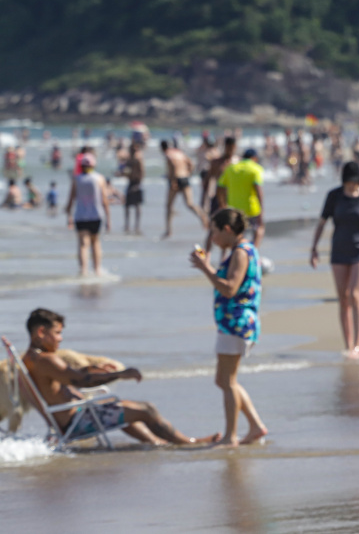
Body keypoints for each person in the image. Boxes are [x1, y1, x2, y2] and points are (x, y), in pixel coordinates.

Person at [18, 308, 220, 446]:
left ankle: (157, 443)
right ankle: (188, 443)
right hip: (77, 423)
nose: (61, 339)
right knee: (147, 409)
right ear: (41, 332)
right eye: (57, 333)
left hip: (71, 419)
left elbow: (74, 376)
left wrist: (94, 368)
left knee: (124, 406)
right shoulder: (46, 360)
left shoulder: (29, 360)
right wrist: (120, 374)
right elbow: (80, 381)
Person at [189, 209, 268, 447]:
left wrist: (206, 268)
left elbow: (230, 288)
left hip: (237, 322)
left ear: (227, 230)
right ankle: (255, 426)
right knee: (223, 380)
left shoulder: (241, 253)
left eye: (214, 231)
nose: (212, 237)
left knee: (228, 381)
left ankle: (230, 436)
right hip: (232, 322)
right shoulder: (240, 251)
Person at [310, 162, 359, 359]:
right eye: (349, 182)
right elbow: (322, 223)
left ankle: (358, 345)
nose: (352, 186)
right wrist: (314, 248)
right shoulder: (333, 196)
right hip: (339, 251)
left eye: (355, 182)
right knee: (343, 298)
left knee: (355, 294)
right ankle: (348, 344)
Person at [64, 153, 110, 276]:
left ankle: (83, 270)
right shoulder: (100, 178)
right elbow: (104, 200)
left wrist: (68, 215)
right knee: (95, 242)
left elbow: (71, 199)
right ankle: (97, 270)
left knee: (83, 244)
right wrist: (108, 219)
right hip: (96, 215)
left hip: (80, 216)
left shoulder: (77, 179)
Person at [217, 148, 265, 249]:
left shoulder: (231, 168)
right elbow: (258, 190)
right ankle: (252, 252)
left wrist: (222, 204)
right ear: (254, 158)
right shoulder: (256, 168)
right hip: (251, 208)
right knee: (259, 229)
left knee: (237, 234)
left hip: (234, 209)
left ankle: (237, 253)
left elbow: (220, 186)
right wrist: (261, 209)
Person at [161, 140, 208, 238]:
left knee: (169, 206)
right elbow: (191, 163)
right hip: (184, 178)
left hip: (175, 179)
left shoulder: (168, 154)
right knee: (190, 204)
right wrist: (188, 173)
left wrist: (173, 180)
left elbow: (173, 166)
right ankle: (204, 219)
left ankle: (168, 230)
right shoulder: (179, 153)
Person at [205, 136, 237, 217]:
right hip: (218, 196)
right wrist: (205, 199)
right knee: (214, 224)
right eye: (228, 147)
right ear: (225, 147)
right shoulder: (216, 162)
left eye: (232, 147)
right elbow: (208, 180)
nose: (230, 150)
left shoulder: (237, 162)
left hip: (233, 197)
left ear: (235, 147)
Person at [122, 143, 145, 234]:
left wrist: (139, 184)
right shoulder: (129, 159)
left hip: (137, 183)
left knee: (137, 206)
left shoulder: (138, 159)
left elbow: (142, 172)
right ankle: (127, 225)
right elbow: (126, 171)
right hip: (130, 182)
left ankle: (137, 226)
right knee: (127, 205)